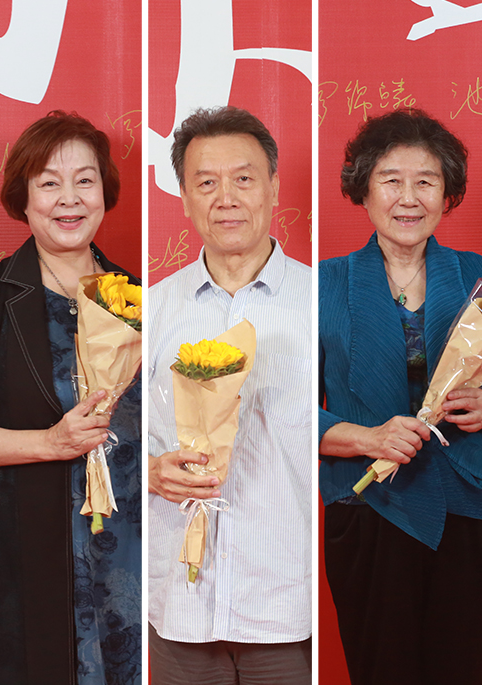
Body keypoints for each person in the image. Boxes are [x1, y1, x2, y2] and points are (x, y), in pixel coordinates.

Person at [146, 106, 311, 684]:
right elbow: (112, 434)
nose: (226, 199)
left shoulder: (319, 302)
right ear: (184, 199)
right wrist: (150, 471)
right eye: (206, 183)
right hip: (179, 599)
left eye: (244, 179)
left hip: (285, 601)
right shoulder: (150, 309)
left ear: (274, 187)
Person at [319, 109, 482, 683]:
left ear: (447, 194)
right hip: (369, 507)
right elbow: (284, 407)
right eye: (391, 180)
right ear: (363, 190)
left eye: (426, 181)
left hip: (470, 508)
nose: (408, 197)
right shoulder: (321, 285)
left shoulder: (478, 277)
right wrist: (367, 437)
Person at [0, 111, 141, 685]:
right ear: (23, 199)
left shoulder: (138, 298)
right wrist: (49, 443)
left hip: (128, 550)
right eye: (49, 182)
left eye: (85, 181)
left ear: (104, 192)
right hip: (27, 545)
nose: (69, 199)